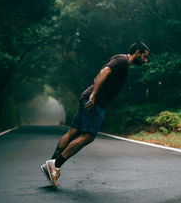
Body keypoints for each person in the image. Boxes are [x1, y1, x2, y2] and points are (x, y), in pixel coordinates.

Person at [40, 42, 150, 187]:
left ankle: (51, 165)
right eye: (145, 56)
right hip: (94, 101)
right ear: (137, 52)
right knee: (88, 136)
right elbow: (103, 73)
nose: (146, 60)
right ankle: (55, 166)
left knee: (73, 132)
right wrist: (93, 96)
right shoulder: (122, 60)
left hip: (89, 98)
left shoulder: (124, 63)